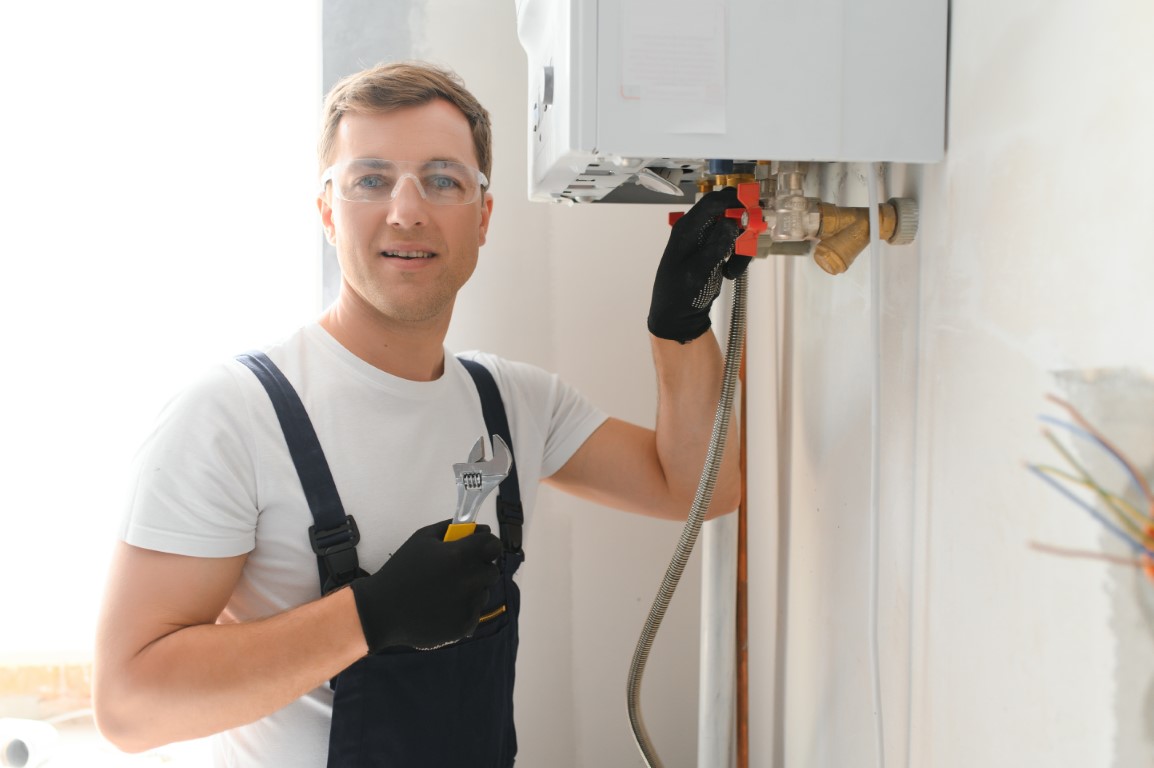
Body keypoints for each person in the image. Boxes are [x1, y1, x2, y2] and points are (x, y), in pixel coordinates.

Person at [93, 60, 745, 767]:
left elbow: (698, 487)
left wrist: (679, 329)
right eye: (370, 180)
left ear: (483, 216)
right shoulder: (231, 416)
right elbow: (130, 707)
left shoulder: (511, 404)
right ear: (326, 211)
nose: (407, 210)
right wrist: (367, 617)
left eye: (443, 180)